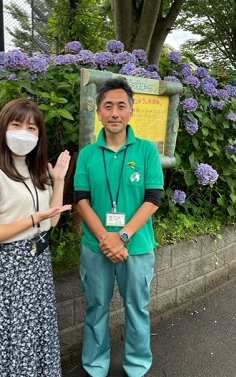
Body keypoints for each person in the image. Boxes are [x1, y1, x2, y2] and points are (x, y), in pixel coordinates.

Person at [0, 98, 72, 377]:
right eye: (17, 124)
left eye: (32, 128)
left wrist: (58, 180)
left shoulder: (37, 171)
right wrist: (32, 219)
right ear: (3, 127)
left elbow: (51, 220)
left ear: (39, 135)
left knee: (37, 335)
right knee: (13, 341)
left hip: (39, 264)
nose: (24, 132)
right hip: (12, 270)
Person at [74, 77, 164, 377]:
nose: (115, 113)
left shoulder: (147, 151)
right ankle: (95, 366)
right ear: (98, 111)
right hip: (96, 246)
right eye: (108, 106)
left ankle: (137, 366)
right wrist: (106, 239)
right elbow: (82, 200)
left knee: (137, 308)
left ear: (131, 111)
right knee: (97, 307)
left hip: (136, 246)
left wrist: (122, 236)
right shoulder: (87, 154)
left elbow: (153, 199)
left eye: (121, 106)